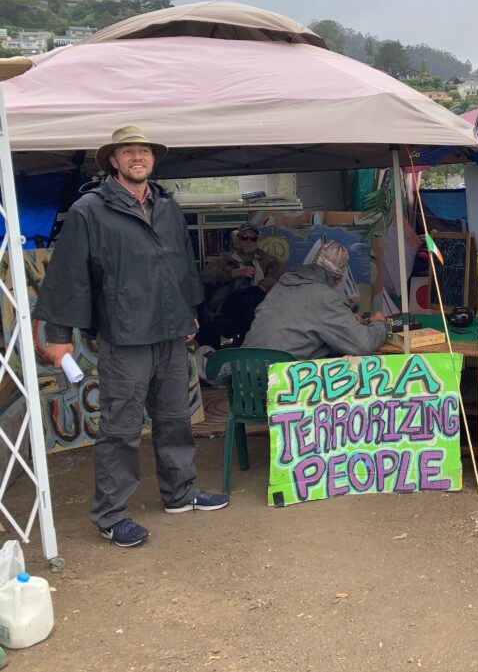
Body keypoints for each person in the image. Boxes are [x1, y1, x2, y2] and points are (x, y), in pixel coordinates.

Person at [34, 125, 229, 549]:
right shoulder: (90, 209)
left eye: (144, 151)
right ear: (114, 161)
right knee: (121, 429)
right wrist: (58, 334)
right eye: (128, 152)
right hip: (123, 336)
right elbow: (69, 276)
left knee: (176, 418)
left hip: (171, 331)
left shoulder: (167, 207)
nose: (137, 157)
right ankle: (110, 514)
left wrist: (191, 311)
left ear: (153, 160)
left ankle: (179, 494)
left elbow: (181, 264)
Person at [243, 240, 390, 359]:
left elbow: (300, 321)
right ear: (338, 278)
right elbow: (362, 344)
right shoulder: (324, 296)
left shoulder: (281, 287)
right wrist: (379, 323)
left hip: (243, 375)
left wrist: (347, 319)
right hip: (277, 381)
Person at [196, 222, 284, 348]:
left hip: (259, 306)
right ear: (237, 240)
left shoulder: (268, 260)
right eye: (244, 238)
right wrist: (233, 273)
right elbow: (205, 277)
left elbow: (280, 276)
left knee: (254, 295)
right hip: (228, 306)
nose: (249, 241)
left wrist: (263, 286)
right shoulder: (224, 260)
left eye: (253, 238)